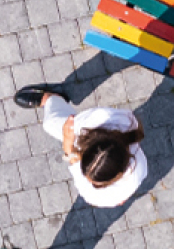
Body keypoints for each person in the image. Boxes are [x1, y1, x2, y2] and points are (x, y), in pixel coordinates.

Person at [15, 84, 146, 208]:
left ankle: (52, 100)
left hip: (98, 131)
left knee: (51, 124)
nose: (88, 181)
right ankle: (50, 98)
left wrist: (68, 140)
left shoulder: (123, 122)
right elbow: (72, 155)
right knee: (50, 124)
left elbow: (74, 159)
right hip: (87, 129)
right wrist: (69, 141)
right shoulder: (97, 120)